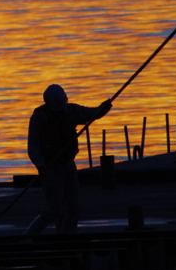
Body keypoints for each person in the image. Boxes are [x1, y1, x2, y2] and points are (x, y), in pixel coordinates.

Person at [26, 84, 112, 235]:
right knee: (53, 209)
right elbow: (33, 147)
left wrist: (103, 108)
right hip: (50, 168)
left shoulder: (70, 111)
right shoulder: (39, 118)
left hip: (68, 165)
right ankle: (29, 236)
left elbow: (90, 114)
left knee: (74, 208)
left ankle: (67, 238)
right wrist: (41, 165)